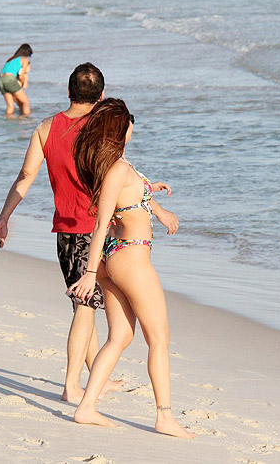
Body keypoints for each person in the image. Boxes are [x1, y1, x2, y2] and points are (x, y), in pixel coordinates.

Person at [0, 63, 178, 404]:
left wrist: (3, 219)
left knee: (86, 306)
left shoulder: (46, 129)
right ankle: (73, 385)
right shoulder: (103, 129)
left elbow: (25, 176)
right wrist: (157, 207)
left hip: (65, 232)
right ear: (102, 96)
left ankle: (94, 379)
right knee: (86, 308)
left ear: (68, 91)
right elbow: (123, 179)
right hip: (102, 231)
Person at [69, 98, 195, 439]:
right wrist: (90, 274)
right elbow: (99, 225)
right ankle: (165, 417)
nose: (133, 126)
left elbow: (131, 197)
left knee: (121, 336)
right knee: (160, 338)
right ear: (120, 128)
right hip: (131, 259)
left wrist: (156, 204)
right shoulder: (117, 169)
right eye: (130, 120)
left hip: (119, 257)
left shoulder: (119, 165)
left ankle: (86, 407)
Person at [0, 43, 32, 116]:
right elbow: (21, 76)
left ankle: (8, 122)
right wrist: (23, 82)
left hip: (1, 80)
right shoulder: (24, 59)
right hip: (9, 79)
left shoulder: (11, 59)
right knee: (25, 102)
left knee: (10, 107)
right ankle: (26, 120)